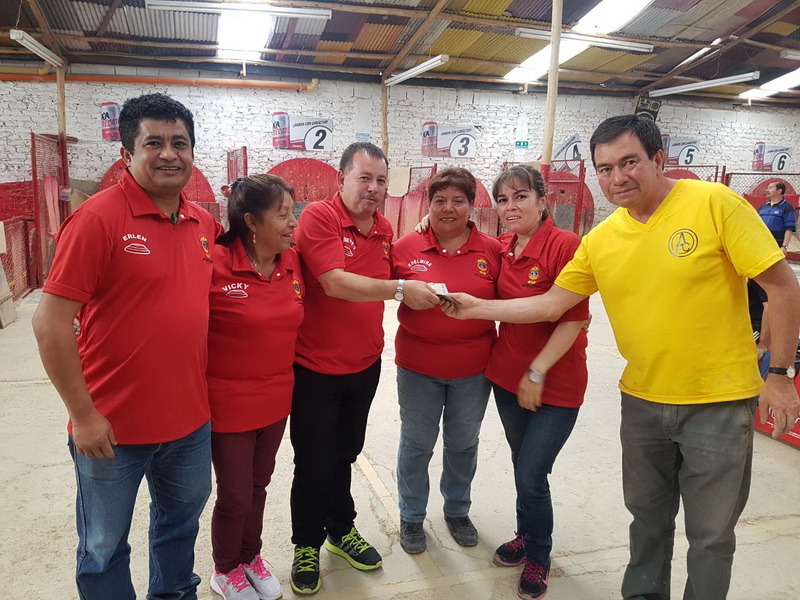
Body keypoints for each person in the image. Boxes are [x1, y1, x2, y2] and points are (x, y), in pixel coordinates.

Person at [441, 115, 800, 600]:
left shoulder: (715, 203)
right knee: (647, 522)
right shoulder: (602, 240)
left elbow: (782, 287)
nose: (617, 177)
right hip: (643, 402)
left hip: (718, 401)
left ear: (658, 158)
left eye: (629, 162)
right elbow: (551, 304)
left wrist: (779, 374)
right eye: (605, 168)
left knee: (711, 536)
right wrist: (475, 307)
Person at [32, 93, 217, 600]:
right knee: (103, 545)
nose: (169, 154)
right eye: (153, 143)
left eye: (180, 143)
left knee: (179, 527)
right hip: (111, 429)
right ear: (127, 154)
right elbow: (50, 323)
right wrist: (83, 415)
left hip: (189, 424)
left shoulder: (203, 223)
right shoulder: (98, 219)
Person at [288, 142, 439, 595]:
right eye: (364, 178)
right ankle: (306, 543)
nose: (373, 188)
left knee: (345, 454)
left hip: (364, 365)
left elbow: (394, 266)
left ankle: (340, 530)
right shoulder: (320, 217)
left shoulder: (385, 228)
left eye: (381, 181)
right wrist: (399, 289)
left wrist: (428, 228)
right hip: (315, 368)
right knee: (313, 461)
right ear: (342, 179)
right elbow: (334, 282)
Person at [484, 165, 590, 600]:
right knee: (521, 463)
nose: (510, 207)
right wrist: (425, 222)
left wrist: (537, 371)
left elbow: (574, 318)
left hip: (555, 383)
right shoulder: (503, 247)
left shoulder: (566, 245)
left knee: (532, 473)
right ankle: (524, 534)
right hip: (506, 377)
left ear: (543, 201)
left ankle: (539, 557)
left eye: (520, 197)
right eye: (503, 200)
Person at [390, 167, 501, 554]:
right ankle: (411, 516)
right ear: (428, 205)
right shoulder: (405, 247)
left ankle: (457, 510)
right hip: (418, 368)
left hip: (474, 371)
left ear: (472, 205)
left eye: (458, 200)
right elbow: (377, 285)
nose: (448, 208)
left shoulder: (493, 250)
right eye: (440, 201)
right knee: (417, 442)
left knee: (463, 443)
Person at [207, 175, 302, 600]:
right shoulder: (214, 262)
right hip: (228, 404)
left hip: (276, 401)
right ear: (250, 221)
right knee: (235, 496)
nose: (292, 223)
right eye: (282, 215)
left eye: (293, 213)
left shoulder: (292, 262)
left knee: (259, 486)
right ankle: (225, 568)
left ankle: (250, 557)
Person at [757, 181, 796, 253]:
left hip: (776, 245)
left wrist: (784, 247)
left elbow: (789, 229)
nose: (767, 190)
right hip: (761, 243)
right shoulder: (763, 206)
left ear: (779, 191)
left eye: (770, 188)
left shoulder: (788, 207)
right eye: (767, 188)